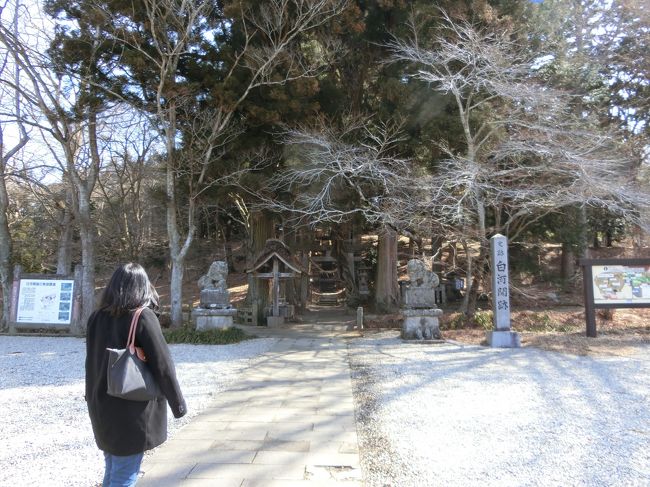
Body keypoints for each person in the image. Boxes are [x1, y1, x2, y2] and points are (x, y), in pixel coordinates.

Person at [85, 263, 186, 486]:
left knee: (114, 468)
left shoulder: (96, 317)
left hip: (101, 404)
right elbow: (163, 366)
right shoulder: (142, 317)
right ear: (142, 287)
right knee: (124, 474)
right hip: (130, 410)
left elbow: (90, 362)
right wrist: (178, 404)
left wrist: (90, 397)